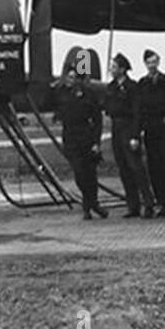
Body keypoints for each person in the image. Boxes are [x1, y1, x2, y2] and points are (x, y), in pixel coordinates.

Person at [104, 53, 156, 218]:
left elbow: (136, 112)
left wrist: (135, 135)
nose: (111, 70)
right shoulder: (111, 87)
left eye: (114, 67)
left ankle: (148, 204)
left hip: (128, 128)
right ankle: (132, 205)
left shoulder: (133, 87)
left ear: (122, 69)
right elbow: (108, 106)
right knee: (124, 169)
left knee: (136, 168)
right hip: (116, 129)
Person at [53, 68, 107, 219]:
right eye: (68, 77)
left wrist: (96, 141)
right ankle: (89, 203)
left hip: (86, 135)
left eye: (73, 77)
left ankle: (90, 205)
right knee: (79, 173)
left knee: (90, 173)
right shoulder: (60, 92)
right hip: (70, 137)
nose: (70, 80)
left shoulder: (88, 94)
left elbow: (97, 119)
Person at [136, 49, 165, 216]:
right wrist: (139, 129)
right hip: (150, 130)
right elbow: (139, 108)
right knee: (155, 168)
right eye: (149, 63)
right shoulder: (143, 84)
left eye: (154, 62)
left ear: (158, 62)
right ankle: (163, 203)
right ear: (145, 64)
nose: (152, 65)